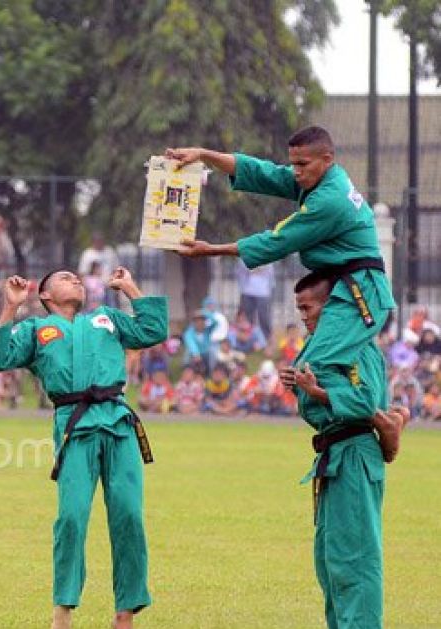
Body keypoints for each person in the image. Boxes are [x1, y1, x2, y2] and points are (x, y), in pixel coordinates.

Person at [0, 267, 167, 629]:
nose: (77, 281)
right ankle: (62, 613)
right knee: (71, 518)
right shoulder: (37, 329)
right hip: (74, 427)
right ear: (47, 296)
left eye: (78, 278)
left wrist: (129, 287)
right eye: (66, 278)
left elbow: (153, 330)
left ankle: (125, 613)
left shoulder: (107, 318)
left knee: (129, 515)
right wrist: (10, 308)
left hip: (118, 422)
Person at [168, 127, 396, 421]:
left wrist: (209, 250)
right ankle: (386, 416)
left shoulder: (329, 199)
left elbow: (277, 241)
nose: (295, 171)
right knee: (329, 366)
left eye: (302, 164)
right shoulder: (318, 180)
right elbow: (263, 173)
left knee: (308, 374)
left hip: (360, 293)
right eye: (293, 163)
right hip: (349, 289)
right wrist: (203, 154)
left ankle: (377, 423)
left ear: (327, 159)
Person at [278, 271, 409, 629]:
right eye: (299, 310)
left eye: (308, 308)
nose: (303, 317)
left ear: (334, 309)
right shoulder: (327, 347)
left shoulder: (354, 345)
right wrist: (299, 387)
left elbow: (364, 399)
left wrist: (316, 392)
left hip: (353, 455)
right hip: (335, 458)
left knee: (354, 563)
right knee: (331, 562)